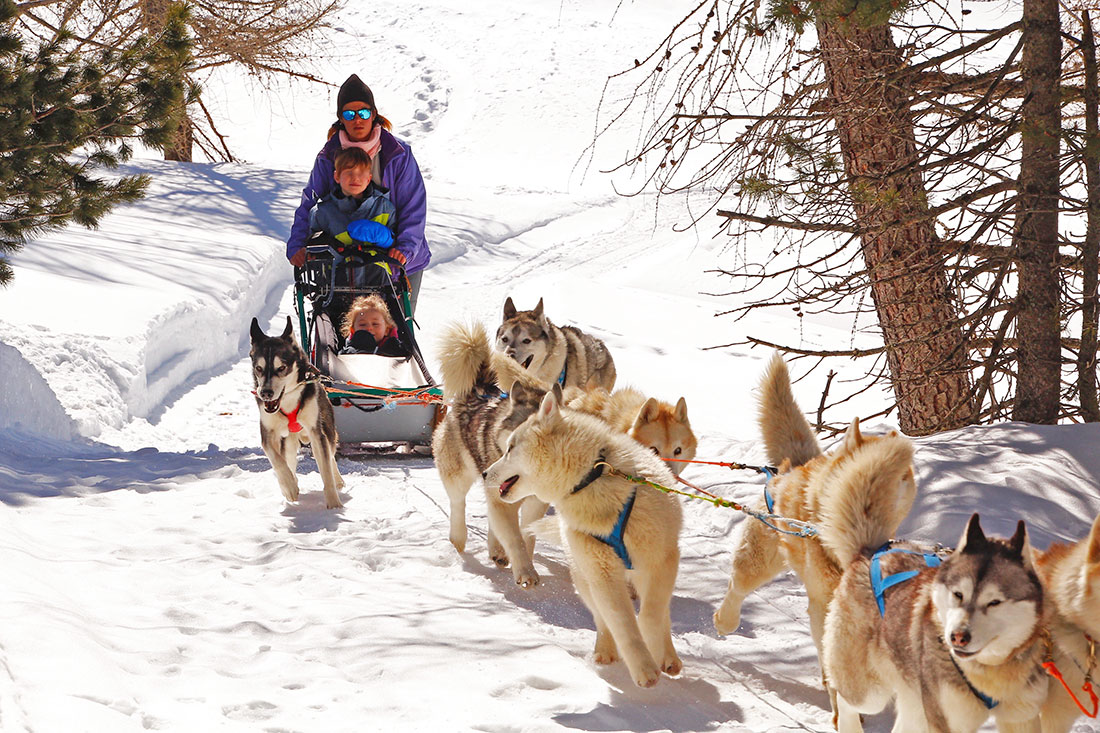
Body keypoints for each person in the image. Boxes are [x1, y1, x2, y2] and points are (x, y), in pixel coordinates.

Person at [287, 73, 431, 313]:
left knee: (395, 335)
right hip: (343, 265)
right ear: (341, 119)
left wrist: (404, 248)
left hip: (396, 259)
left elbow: (413, 207)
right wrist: (298, 244)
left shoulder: (398, 154)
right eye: (349, 114)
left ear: (374, 114)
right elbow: (309, 204)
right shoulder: (328, 156)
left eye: (363, 112)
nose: (357, 120)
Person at [339, 294, 406, 357]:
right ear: (353, 330)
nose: (369, 328)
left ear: (386, 330)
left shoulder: (396, 349)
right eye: (362, 324)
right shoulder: (348, 352)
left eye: (375, 324)